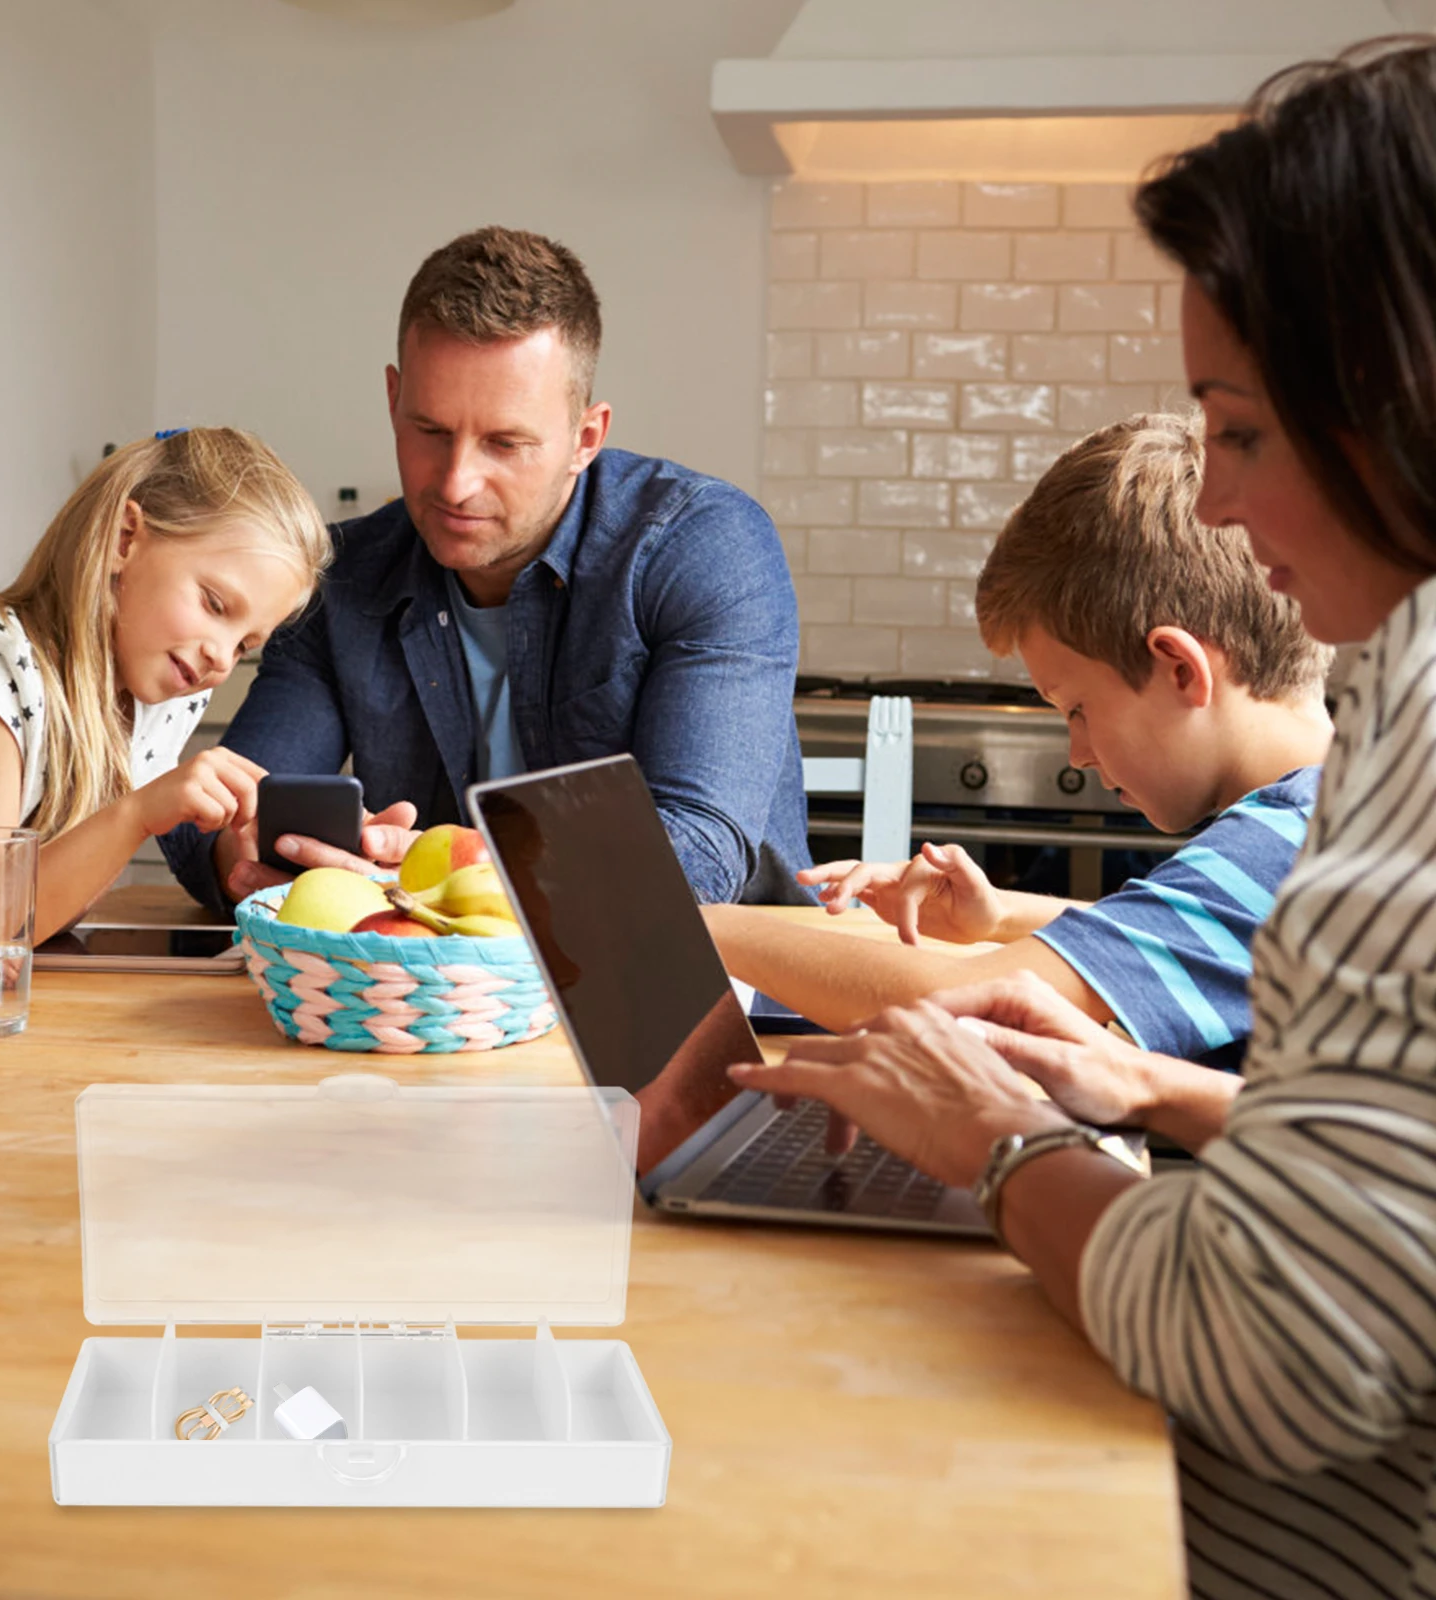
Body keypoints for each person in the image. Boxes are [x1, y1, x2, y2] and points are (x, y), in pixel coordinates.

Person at [730, 37, 1436, 1598]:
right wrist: (1154, 1091)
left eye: (1241, 432)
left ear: (1392, 404)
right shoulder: (1392, 709)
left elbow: (1275, 1347)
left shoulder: (1418, 751)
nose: (1227, 511)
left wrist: (1003, 1143)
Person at [161, 225, 811, 913]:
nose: (456, 483)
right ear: (392, 401)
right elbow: (225, 819)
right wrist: (251, 852)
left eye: (505, 443)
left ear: (584, 439)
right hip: (436, 1007)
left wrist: (460, 861)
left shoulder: (704, 545)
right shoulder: (341, 578)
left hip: (713, 996)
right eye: (430, 431)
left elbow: (701, 856)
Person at [706, 413, 1333, 1079]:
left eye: (1078, 710)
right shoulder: (1329, 813)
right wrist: (1003, 915)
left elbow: (962, 1009)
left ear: (1179, 668)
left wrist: (702, 926)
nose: (1078, 755)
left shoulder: (1280, 853)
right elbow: (1191, 930)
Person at [0, 428, 331, 981]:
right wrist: (139, 812)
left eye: (245, 645)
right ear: (125, 539)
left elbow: (29, 911)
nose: (220, 657)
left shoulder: (160, 698)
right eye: (214, 604)